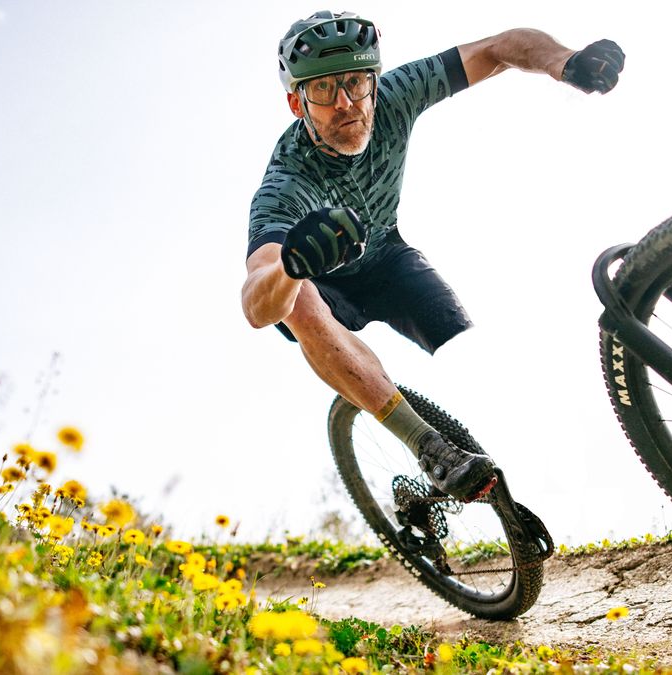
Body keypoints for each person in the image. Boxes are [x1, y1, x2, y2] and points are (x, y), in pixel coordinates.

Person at [241, 11, 624, 502]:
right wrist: (292, 264)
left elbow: (498, 47)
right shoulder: (286, 182)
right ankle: (428, 448)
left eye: (356, 83)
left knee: (478, 358)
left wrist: (564, 61)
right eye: (323, 91)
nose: (345, 104)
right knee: (295, 300)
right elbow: (257, 302)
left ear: (374, 83)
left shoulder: (396, 94)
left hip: (388, 259)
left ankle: (469, 490)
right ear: (297, 101)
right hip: (326, 283)